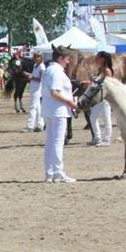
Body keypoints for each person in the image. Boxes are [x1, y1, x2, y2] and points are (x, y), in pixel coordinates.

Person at [41, 46, 78, 182]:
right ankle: (58, 172)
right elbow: (55, 92)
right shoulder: (56, 71)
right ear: (60, 58)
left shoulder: (50, 70)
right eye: (67, 59)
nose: (68, 62)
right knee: (57, 142)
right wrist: (70, 102)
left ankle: (50, 172)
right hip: (57, 109)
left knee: (51, 142)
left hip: (50, 109)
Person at [88, 51, 114, 147]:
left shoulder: (107, 70)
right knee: (93, 117)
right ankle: (97, 137)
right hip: (99, 97)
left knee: (106, 118)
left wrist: (95, 80)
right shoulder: (101, 69)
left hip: (104, 97)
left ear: (103, 59)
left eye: (98, 58)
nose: (96, 59)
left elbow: (108, 84)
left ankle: (106, 139)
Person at [24, 52, 44, 132]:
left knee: (33, 106)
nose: (36, 59)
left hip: (37, 89)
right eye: (35, 57)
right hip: (34, 88)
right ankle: (40, 124)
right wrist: (29, 74)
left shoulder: (42, 67)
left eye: (38, 57)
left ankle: (30, 125)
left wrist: (31, 78)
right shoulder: (35, 66)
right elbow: (34, 75)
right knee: (38, 107)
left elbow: (41, 79)